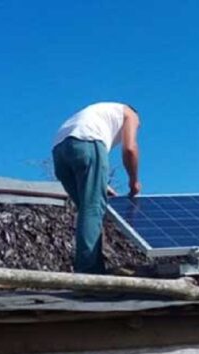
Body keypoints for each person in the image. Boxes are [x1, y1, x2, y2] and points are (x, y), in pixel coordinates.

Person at [52, 102, 141, 274]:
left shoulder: (101, 111)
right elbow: (130, 149)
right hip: (88, 142)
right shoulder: (130, 114)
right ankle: (90, 273)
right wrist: (134, 181)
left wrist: (101, 184)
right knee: (93, 209)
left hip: (59, 152)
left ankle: (87, 267)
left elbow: (75, 145)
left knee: (87, 211)